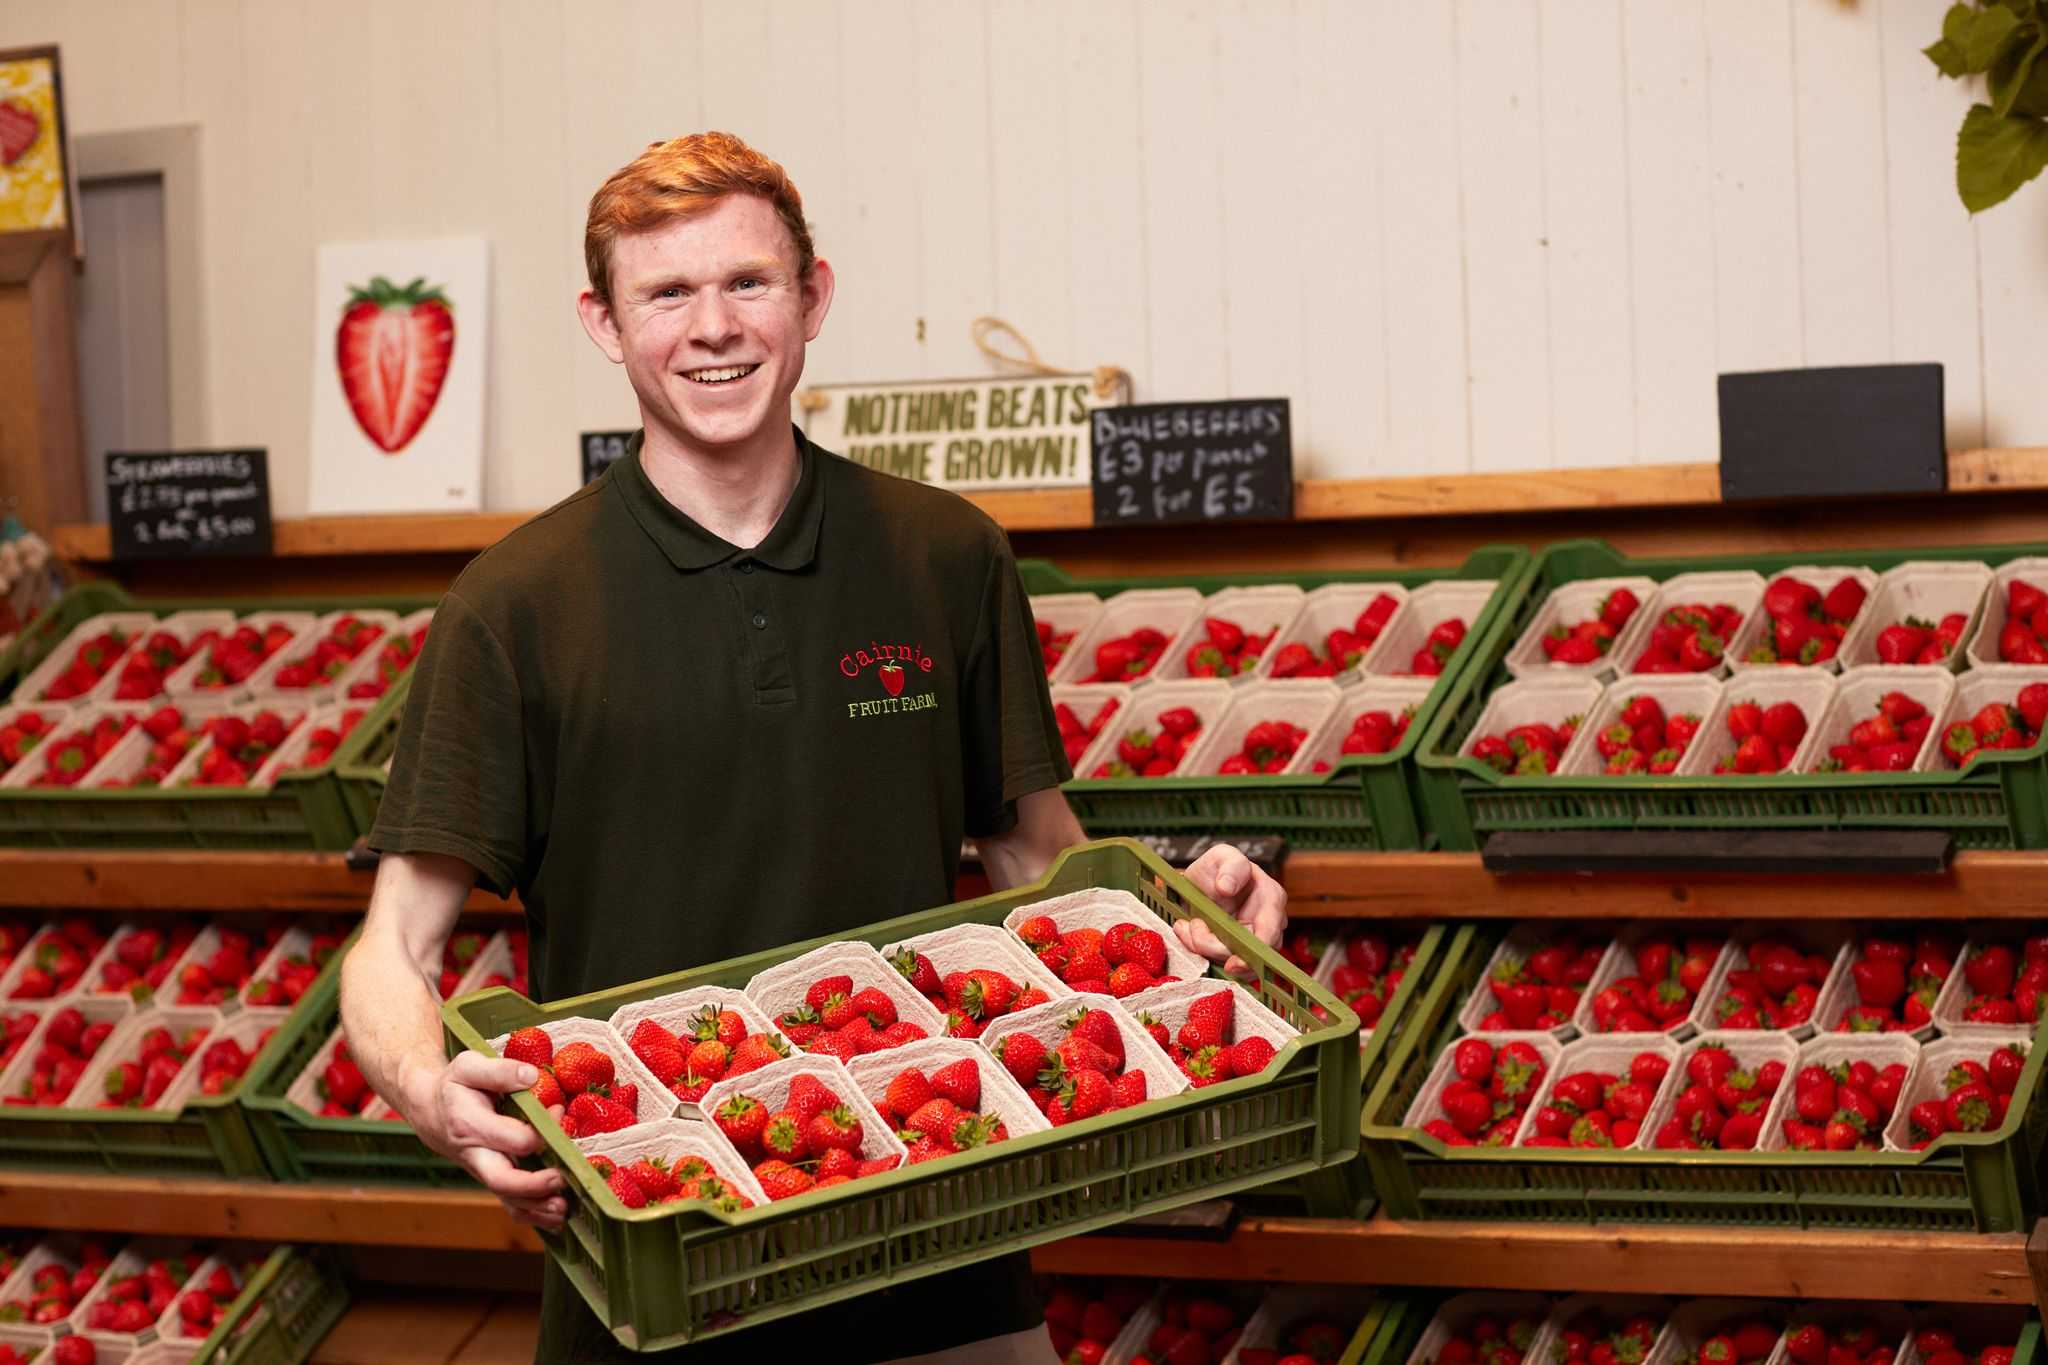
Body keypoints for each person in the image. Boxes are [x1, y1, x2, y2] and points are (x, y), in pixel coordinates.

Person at [339, 131, 1287, 1364]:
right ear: (603, 324)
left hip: (946, 1233)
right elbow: (394, 948)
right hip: (655, 1254)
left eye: (747, 283)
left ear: (813, 297)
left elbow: (1038, 867)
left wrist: (1175, 925)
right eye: (666, 293)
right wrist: (428, 1091)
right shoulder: (513, 606)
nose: (713, 327)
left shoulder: (941, 555)